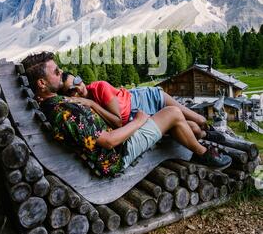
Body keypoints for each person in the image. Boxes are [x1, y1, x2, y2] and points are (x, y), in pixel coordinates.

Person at [21, 52, 232, 176]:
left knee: (181, 122)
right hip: (117, 155)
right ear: (41, 83)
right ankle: (203, 154)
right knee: (173, 113)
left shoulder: (58, 104)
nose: (61, 74)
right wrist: (139, 121)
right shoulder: (63, 110)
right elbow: (109, 142)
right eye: (56, 72)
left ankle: (202, 140)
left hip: (117, 142)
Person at [60, 72, 208, 140]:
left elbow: (118, 121)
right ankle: (207, 136)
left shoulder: (100, 87)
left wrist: (92, 103)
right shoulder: (80, 106)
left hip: (148, 99)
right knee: (194, 129)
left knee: (200, 121)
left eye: (77, 81)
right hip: (142, 118)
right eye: (72, 90)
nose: (78, 88)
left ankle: (213, 131)